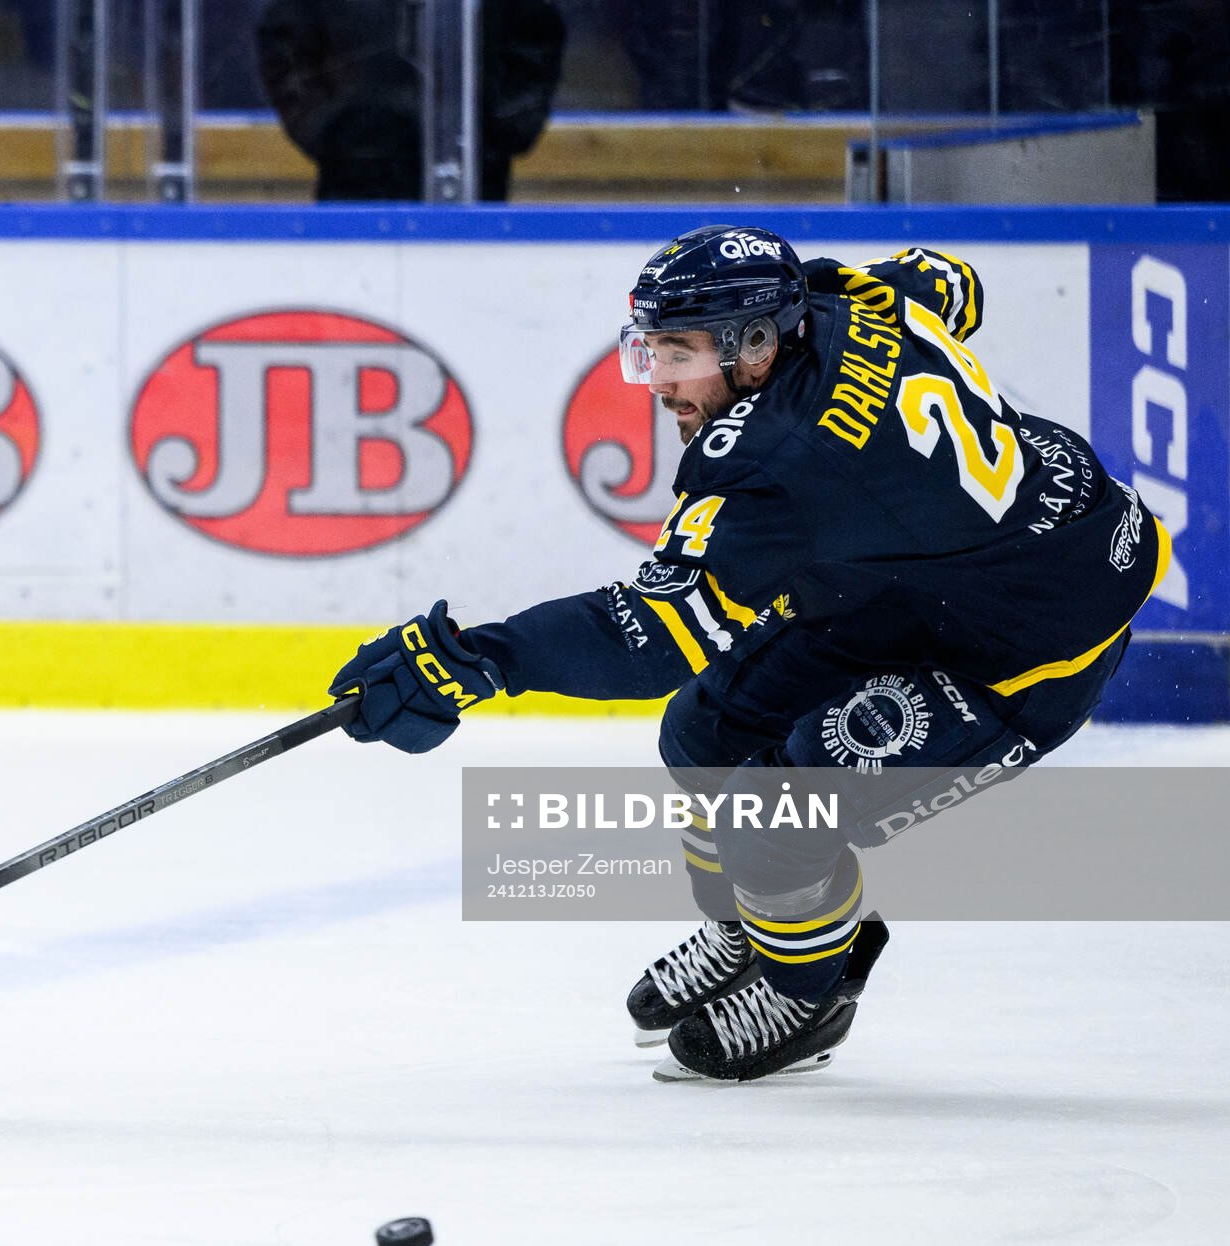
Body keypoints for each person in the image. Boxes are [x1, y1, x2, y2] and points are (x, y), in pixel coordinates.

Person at [328, 225, 1168, 1081]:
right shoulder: (851, 299)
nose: (658, 381)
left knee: (776, 819)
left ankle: (810, 992)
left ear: (759, 344)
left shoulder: (781, 456)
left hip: (1027, 646)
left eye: (680, 353)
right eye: (651, 349)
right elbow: (951, 282)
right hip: (927, 577)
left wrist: (481, 660)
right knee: (703, 732)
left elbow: (655, 636)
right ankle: (755, 928)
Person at [255, 0, 565, 201]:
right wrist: (328, 128)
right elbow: (283, 45)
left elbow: (536, 39)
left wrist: (501, 128)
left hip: (473, 176)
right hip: (355, 173)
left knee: (469, 293)